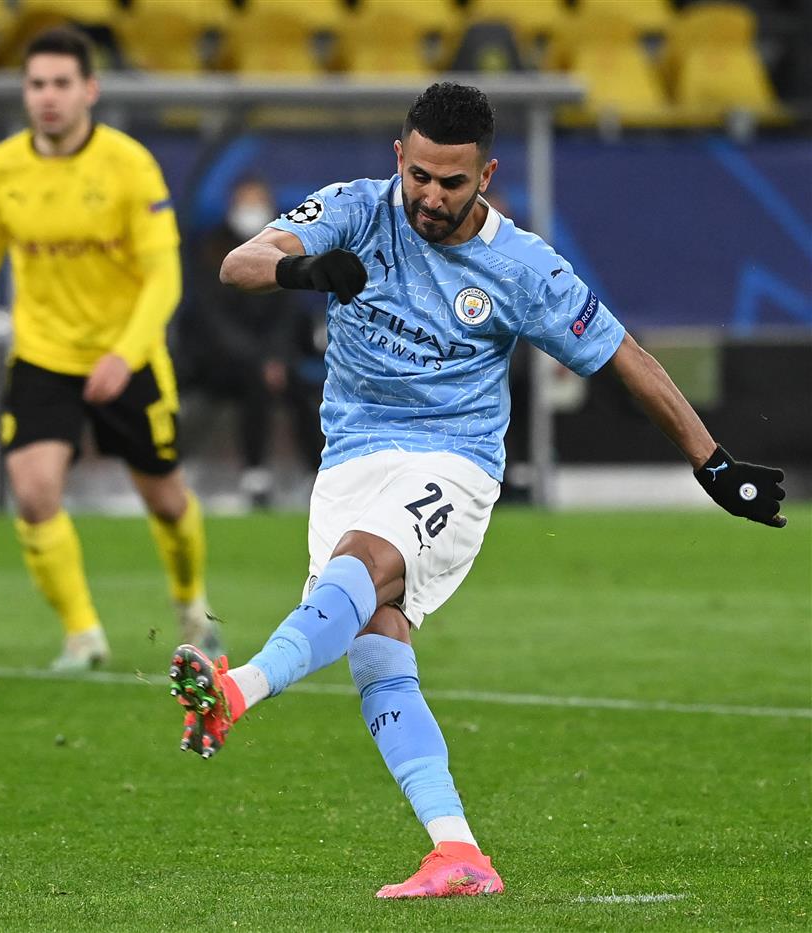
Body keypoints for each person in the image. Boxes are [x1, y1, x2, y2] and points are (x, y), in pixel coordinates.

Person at [168, 82, 786, 898]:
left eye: (451, 182)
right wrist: (307, 267)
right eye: (419, 174)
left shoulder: (522, 266)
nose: (430, 195)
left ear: (486, 175)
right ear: (400, 156)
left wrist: (714, 463)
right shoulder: (357, 207)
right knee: (378, 649)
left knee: (367, 561)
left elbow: (625, 356)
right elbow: (237, 263)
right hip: (350, 460)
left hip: (451, 464)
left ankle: (234, 690)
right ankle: (457, 851)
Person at [0, 28, 218, 670]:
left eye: (61, 84)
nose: (47, 97)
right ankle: (83, 635)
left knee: (165, 499)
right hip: (43, 355)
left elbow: (165, 275)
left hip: (125, 355)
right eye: (36, 84)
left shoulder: (129, 165)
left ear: (89, 91)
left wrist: (126, 352)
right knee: (33, 492)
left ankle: (191, 603)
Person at [180, 176, 326, 509]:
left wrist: (275, 357)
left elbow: (288, 313)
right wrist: (259, 360)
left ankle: (317, 473)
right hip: (220, 362)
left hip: (274, 361)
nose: (251, 209)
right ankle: (255, 473)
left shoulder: (283, 247)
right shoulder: (212, 248)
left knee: (298, 388)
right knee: (255, 382)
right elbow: (213, 319)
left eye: (257, 200)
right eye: (245, 201)